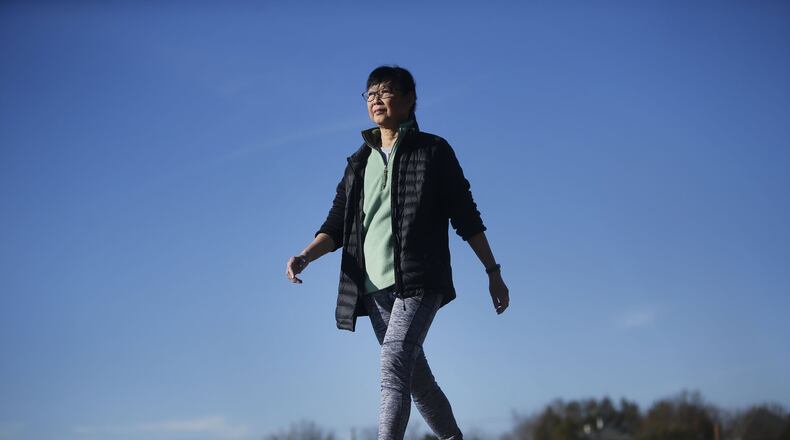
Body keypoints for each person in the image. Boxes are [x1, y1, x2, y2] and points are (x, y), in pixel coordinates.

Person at [285, 65, 509, 440]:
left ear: (408, 100)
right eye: (370, 94)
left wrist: (493, 271)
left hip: (418, 281)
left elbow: (466, 216)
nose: (375, 99)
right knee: (417, 380)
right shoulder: (358, 163)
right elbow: (336, 225)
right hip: (372, 290)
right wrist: (305, 255)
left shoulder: (433, 151)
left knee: (392, 365)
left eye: (385, 92)